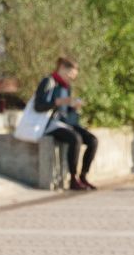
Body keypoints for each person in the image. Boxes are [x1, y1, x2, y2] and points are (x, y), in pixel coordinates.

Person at [31, 57, 98, 190]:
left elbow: (65, 110)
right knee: (75, 139)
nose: (72, 78)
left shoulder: (66, 86)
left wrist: (73, 106)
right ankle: (73, 179)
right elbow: (38, 106)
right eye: (70, 74)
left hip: (65, 123)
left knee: (92, 140)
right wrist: (58, 102)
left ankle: (83, 176)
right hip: (50, 124)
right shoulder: (48, 82)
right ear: (62, 68)